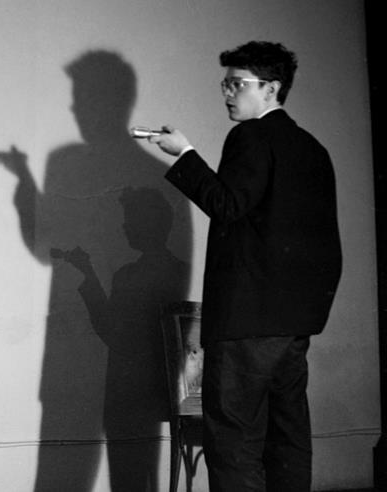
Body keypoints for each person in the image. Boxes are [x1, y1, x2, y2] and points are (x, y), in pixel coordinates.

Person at [148, 41, 342, 491]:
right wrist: (308, 314)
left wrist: (184, 153)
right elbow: (326, 243)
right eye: (226, 84)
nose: (227, 93)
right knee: (287, 442)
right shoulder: (312, 147)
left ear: (271, 88)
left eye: (238, 84)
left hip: (245, 325)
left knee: (234, 444)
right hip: (293, 327)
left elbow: (227, 204)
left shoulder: (250, 136)